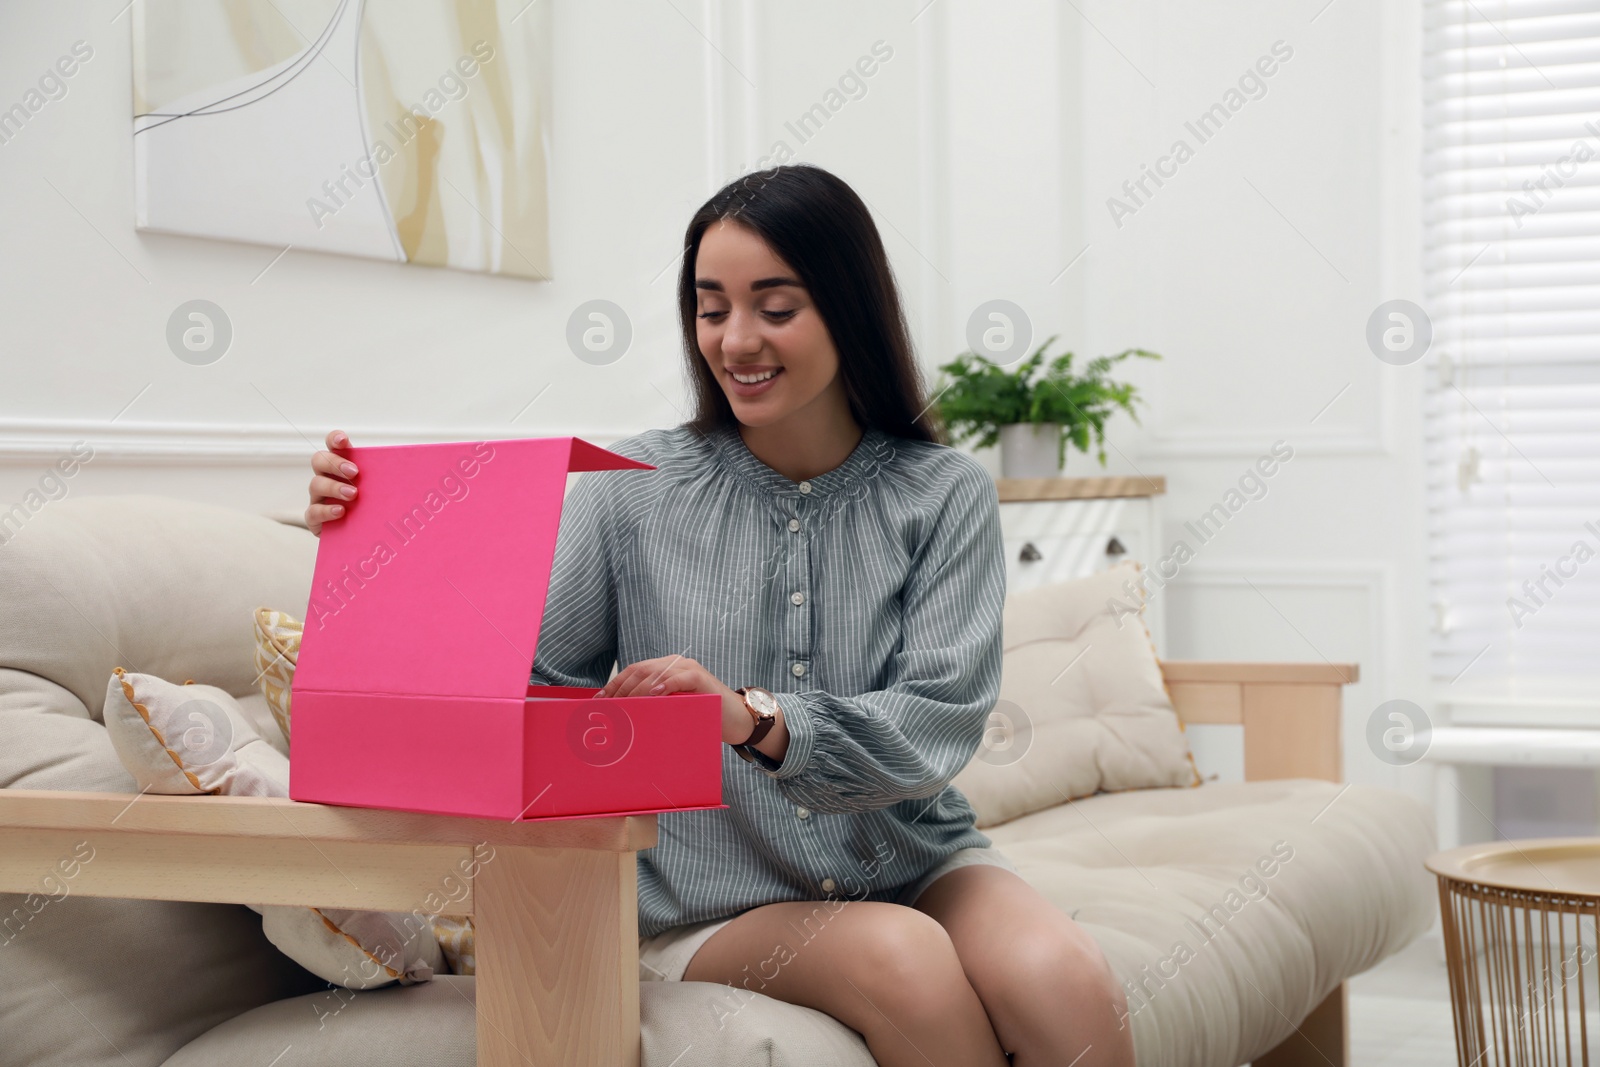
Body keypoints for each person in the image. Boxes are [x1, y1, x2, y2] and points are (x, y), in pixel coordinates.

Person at [305, 163, 1133, 1066]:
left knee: (1066, 977)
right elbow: (521, 695)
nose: (737, 340)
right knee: (905, 960)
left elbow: (935, 722)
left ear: (850, 309)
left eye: (776, 308)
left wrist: (751, 717)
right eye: (712, 308)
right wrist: (366, 539)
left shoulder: (945, 494)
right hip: (710, 896)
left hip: (912, 858)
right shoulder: (629, 491)